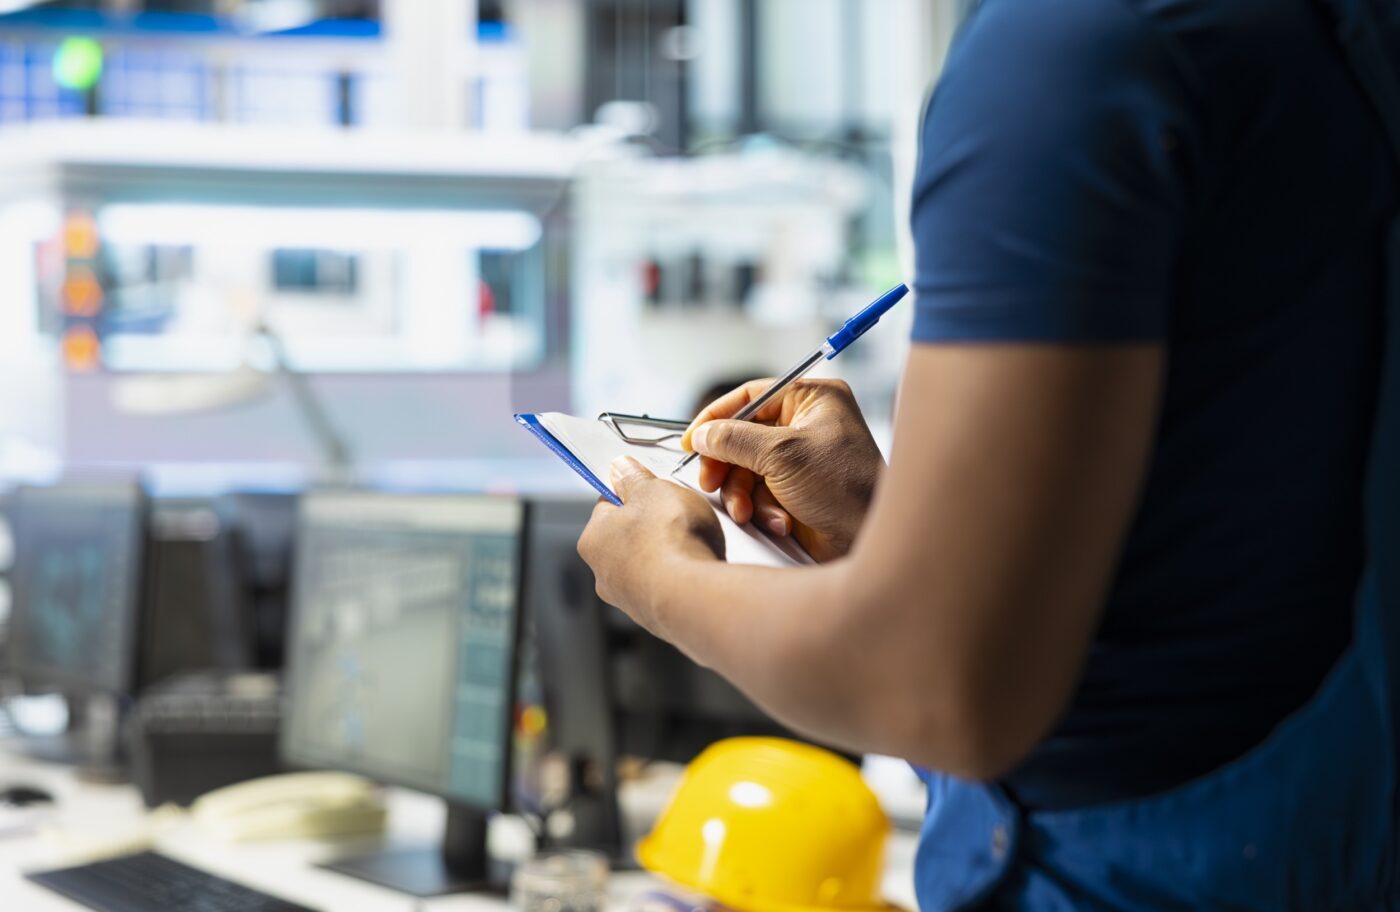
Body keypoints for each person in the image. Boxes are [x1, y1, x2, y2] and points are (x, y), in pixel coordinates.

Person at [578, 0, 1400, 907]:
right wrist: (891, 539)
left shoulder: (1070, 48)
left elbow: (938, 687)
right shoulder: (1314, 40)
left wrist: (657, 576)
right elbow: (1225, 508)